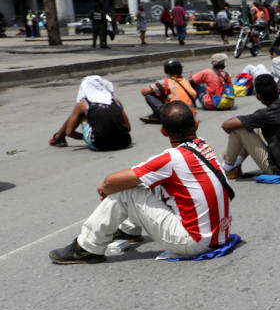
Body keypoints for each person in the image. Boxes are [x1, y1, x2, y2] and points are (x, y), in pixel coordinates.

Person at [48, 101, 231, 264]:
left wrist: (105, 188)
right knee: (146, 181)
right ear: (196, 124)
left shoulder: (171, 158)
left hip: (194, 242)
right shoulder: (204, 146)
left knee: (127, 191)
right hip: (219, 234)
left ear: (163, 131)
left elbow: (111, 181)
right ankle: (129, 229)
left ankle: (87, 247)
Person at [220, 74, 280, 178]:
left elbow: (226, 124)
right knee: (254, 128)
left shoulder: (266, 114)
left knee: (239, 129)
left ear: (258, 97)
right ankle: (235, 164)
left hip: (279, 169)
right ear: (278, 89)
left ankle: (228, 167)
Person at [49, 75, 131, 151]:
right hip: (125, 142)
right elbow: (128, 128)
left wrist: (84, 137)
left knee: (80, 115)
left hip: (101, 145)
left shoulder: (84, 104)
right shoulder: (116, 102)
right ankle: (59, 136)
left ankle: (59, 137)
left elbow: (69, 132)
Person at [139, 58, 197, 124]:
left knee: (149, 95)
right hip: (189, 114)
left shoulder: (166, 82)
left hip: (174, 115)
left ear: (166, 70)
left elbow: (143, 91)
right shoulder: (186, 81)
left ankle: (160, 116)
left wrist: (156, 88)